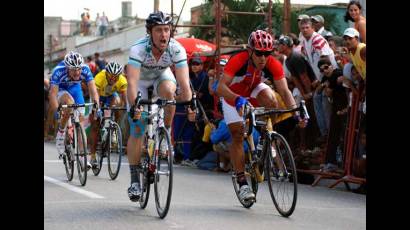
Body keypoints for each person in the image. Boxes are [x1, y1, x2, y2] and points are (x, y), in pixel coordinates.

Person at [216, 30, 305, 202]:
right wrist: (237, 100)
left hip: (253, 88)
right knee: (237, 134)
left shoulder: (273, 64)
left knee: (271, 99)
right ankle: (242, 182)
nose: (263, 58)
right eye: (259, 53)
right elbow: (220, 87)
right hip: (232, 95)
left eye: (267, 53)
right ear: (250, 51)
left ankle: (265, 136)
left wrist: (296, 113)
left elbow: (285, 92)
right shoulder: (238, 60)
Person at [126, 11, 195, 201]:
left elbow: (183, 82)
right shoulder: (138, 49)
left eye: (167, 29)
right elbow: (131, 83)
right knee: (138, 129)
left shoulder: (176, 48)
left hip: (161, 78)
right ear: (150, 32)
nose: (164, 34)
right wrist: (135, 106)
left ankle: (165, 133)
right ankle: (134, 180)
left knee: (169, 92)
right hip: (140, 83)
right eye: (158, 30)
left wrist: (190, 103)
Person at [48, 51, 100, 165]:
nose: (77, 72)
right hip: (61, 89)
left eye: (79, 69)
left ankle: (82, 157)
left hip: (75, 89)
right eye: (73, 69)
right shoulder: (58, 71)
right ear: (67, 68)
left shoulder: (85, 69)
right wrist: (57, 110)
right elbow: (52, 94)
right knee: (69, 103)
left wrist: (97, 106)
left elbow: (93, 90)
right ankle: (61, 133)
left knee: (80, 121)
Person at [89, 61, 128, 168]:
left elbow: (126, 99)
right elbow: (94, 95)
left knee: (118, 103)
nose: (112, 79)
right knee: (95, 125)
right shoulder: (99, 77)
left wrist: (128, 108)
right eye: (110, 76)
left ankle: (113, 127)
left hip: (110, 96)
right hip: (99, 96)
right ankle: (92, 156)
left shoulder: (122, 80)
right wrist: (97, 108)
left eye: (115, 77)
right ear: (106, 74)